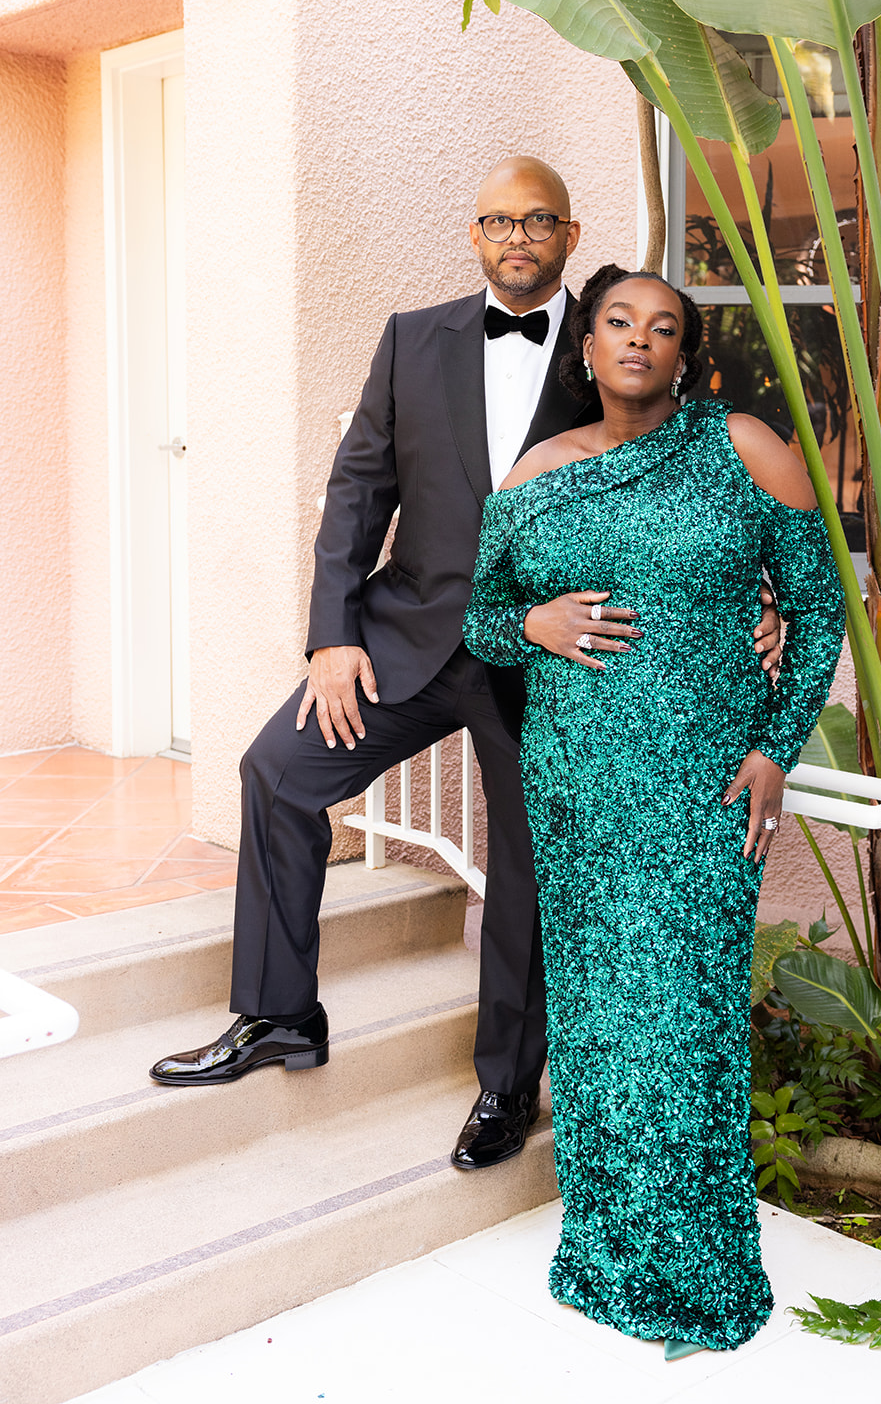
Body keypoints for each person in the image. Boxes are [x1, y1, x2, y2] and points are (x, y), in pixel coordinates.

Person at [148, 159, 781, 1175]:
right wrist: (332, 636)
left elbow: (707, 475)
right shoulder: (411, 339)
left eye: (536, 220)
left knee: (525, 865)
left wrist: (764, 600)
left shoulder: (609, 338)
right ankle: (277, 1014)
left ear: (569, 234)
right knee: (277, 770)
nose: (515, 237)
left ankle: (507, 1084)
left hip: (552, 660)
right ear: (474, 234)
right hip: (408, 637)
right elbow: (356, 491)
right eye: (497, 221)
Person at [463, 265, 845, 1352]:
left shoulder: (740, 446)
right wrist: (531, 624)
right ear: (586, 347)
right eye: (618, 322)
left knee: (682, 1019)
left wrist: (774, 748)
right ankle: (606, 1248)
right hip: (577, 785)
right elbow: (482, 618)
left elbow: (817, 608)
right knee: (596, 1019)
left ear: (685, 354)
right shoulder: (536, 471)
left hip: (701, 786)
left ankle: (698, 1266)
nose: (638, 338)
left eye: (663, 326)